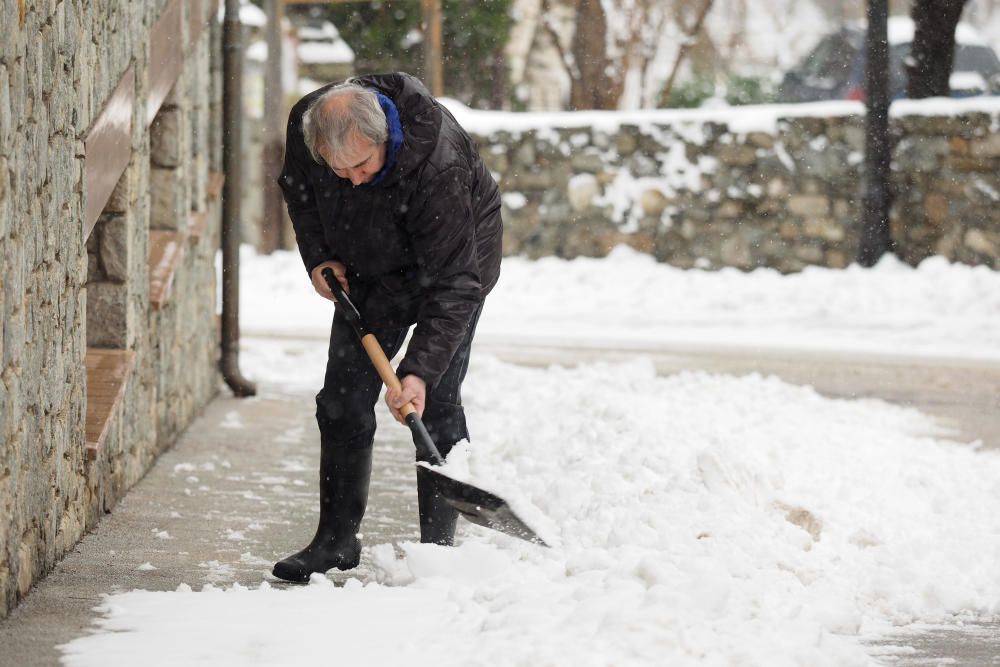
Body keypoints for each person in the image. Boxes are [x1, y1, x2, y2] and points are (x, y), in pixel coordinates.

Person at [271, 73, 503, 583]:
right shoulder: (308, 126)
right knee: (342, 399)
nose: (351, 178)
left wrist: (416, 372)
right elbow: (302, 194)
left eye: (361, 165)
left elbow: (456, 284)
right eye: (339, 170)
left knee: (435, 398)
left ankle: (436, 551)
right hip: (368, 267)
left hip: (454, 266)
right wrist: (319, 257)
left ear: (385, 139)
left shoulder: (436, 165)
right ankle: (335, 541)